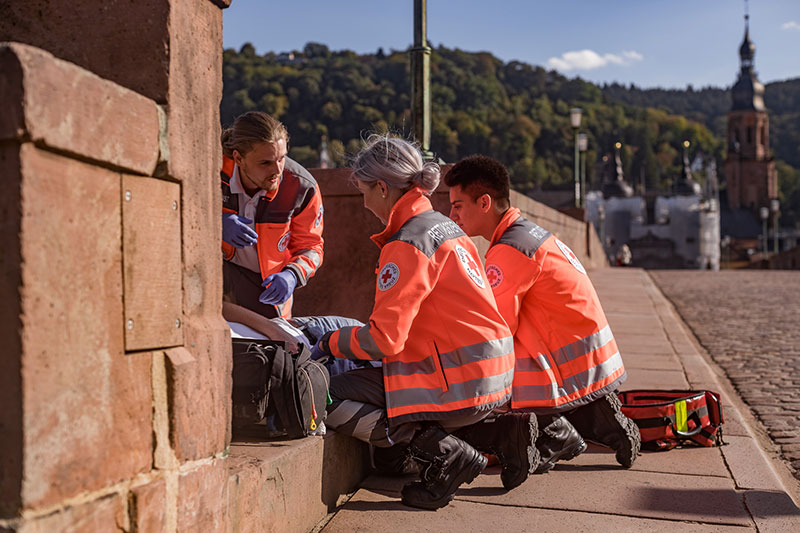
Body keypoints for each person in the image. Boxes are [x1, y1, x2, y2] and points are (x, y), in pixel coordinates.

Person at [315, 135, 537, 510]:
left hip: (457, 380)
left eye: (365, 191)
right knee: (378, 384)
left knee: (322, 394)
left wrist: (330, 342)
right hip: (493, 376)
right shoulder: (446, 226)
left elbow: (385, 341)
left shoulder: (406, 243)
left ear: (383, 188)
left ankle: (443, 454)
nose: (364, 201)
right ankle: (501, 432)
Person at [445, 155, 641, 472]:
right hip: (588, 350)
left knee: (491, 359)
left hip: (566, 351)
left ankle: (558, 430)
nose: (451, 214)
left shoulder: (509, 250)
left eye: (457, 205)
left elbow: (495, 327)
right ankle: (593, 421)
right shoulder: (526, 233)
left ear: (484, 203)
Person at [221, 111, 324, 319]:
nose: (277, 170)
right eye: (265, 163)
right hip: (218, 279)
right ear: (238, 158)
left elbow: (311, 246)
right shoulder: (212, 172)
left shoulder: (302, 187)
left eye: (282, 158)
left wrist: (292, 275)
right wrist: (213, 223)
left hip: (268, 289)